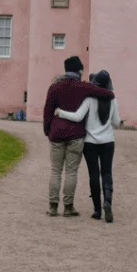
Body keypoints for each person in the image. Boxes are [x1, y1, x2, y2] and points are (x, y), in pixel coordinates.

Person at [42, 56, 114, 218]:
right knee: (71, 172)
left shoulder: (54, 87)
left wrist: (48, 131)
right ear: (79, 70)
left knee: (55, 170)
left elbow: (47, 112)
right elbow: (107, 94)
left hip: (57, 134)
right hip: (76, 134)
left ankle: (53, 206)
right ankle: (68, 207)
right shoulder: (83, 87)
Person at [55, 69, 119, 223]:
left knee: (94, 175)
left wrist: (60, 112)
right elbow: (116, 122)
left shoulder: (90, 99)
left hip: (90, 142)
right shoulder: (112, 100)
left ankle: (97, 210)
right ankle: (108, 201)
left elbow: (78, 117)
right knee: (107, 173)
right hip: (108, 141)